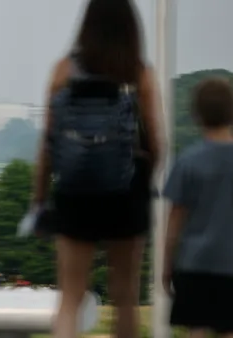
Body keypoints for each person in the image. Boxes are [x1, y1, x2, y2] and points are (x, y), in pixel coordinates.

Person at [33, 0, 163, 337]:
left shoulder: (64, 70)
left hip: (75, 188)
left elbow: (47, 144)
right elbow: (156, 141)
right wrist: (145, 180)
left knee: (70, 298)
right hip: (126, 190)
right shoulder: (138, 72)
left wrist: (40, 199)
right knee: (124, 297)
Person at [163, 78, 233, 337]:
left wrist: (167, 265)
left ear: (196, 115)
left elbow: (175, 220)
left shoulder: (188, 161)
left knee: (197, 329)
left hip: (194, 263)